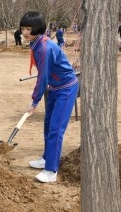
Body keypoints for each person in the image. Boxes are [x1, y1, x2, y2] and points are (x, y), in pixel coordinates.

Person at [20, 11, 78, 183]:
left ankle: (51, 170)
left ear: (38, 28)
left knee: (55, 129)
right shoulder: (36, 43)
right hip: (54, 88)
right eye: (23, 28)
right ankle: (47, 158)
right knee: (47, 125)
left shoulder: (44, 47)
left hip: (66, 89)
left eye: (29, 28)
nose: (25, 32)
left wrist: (34, 101)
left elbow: (42, 77)